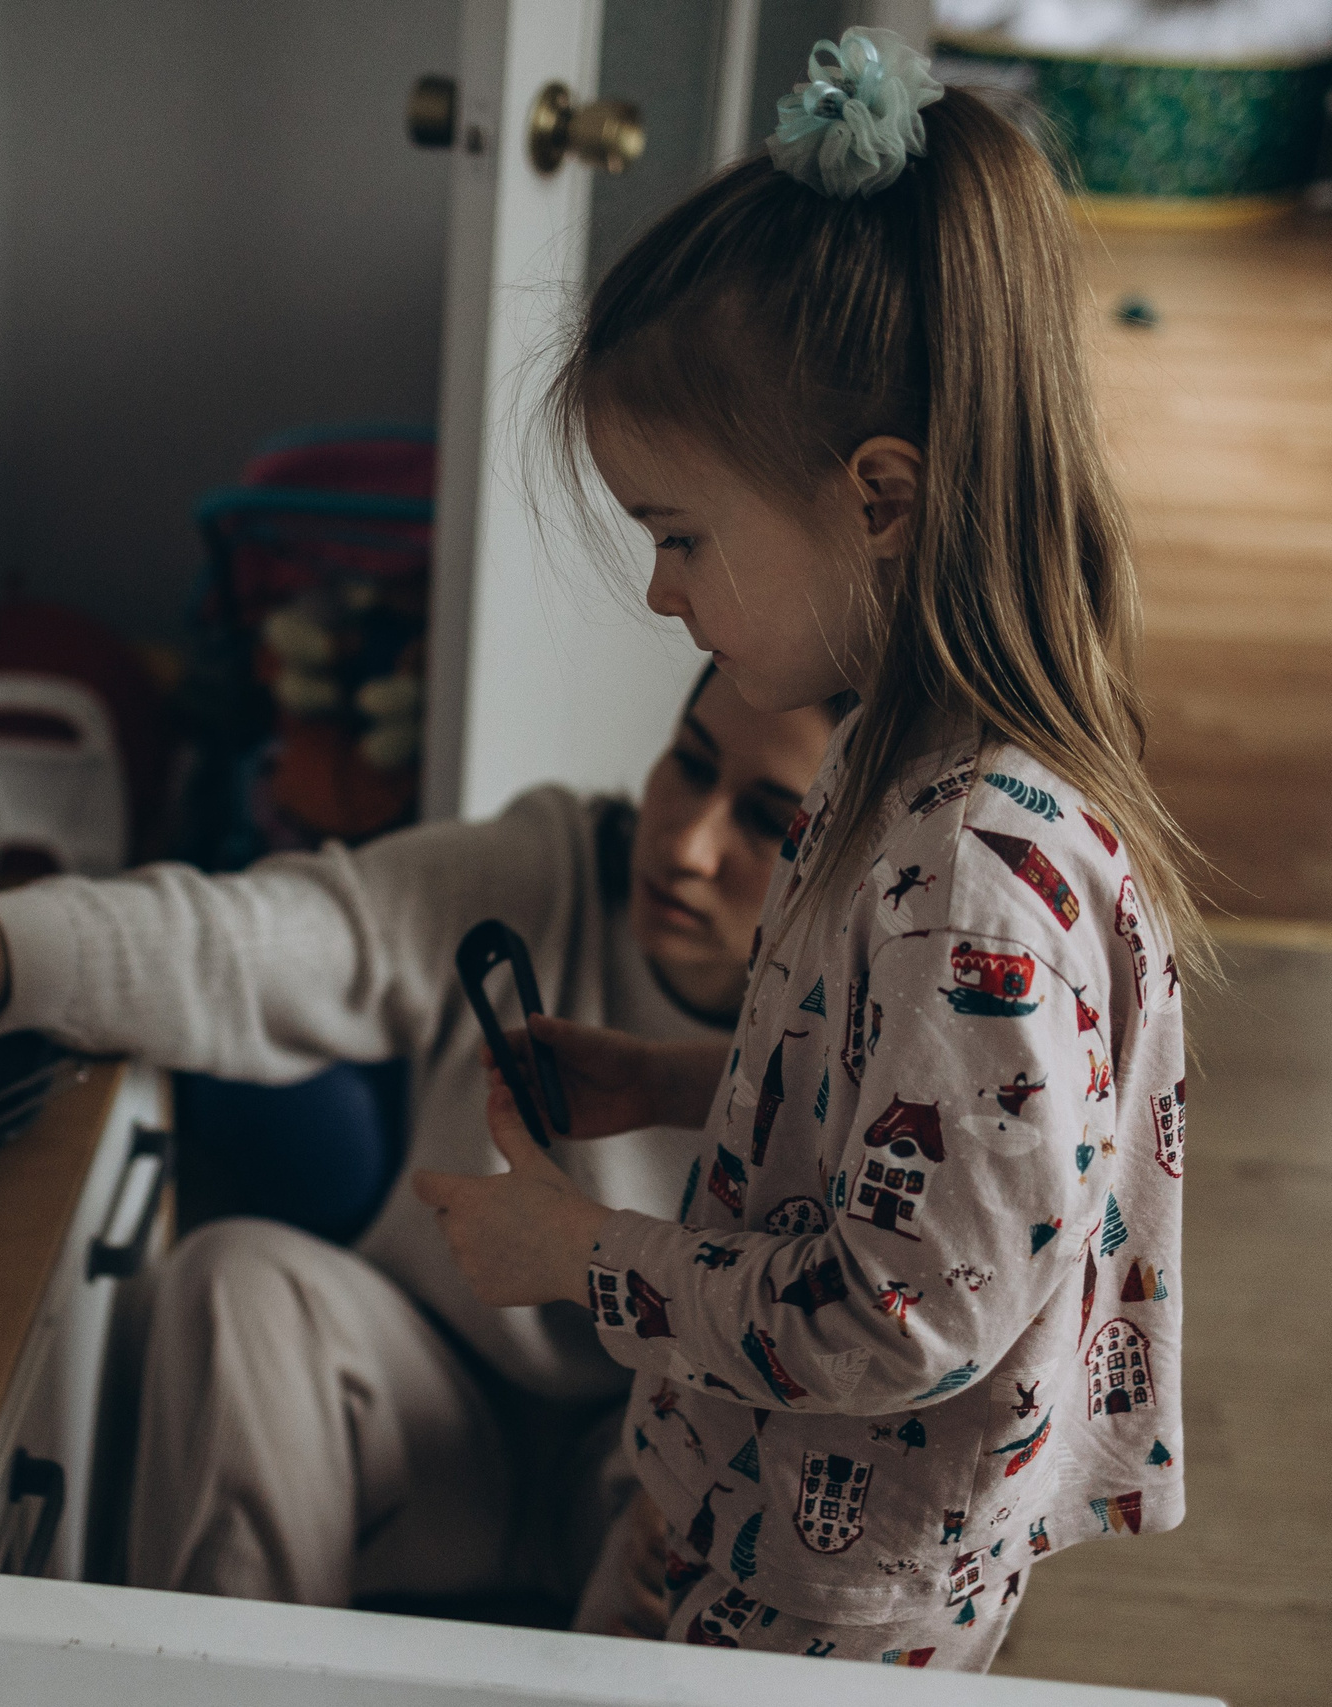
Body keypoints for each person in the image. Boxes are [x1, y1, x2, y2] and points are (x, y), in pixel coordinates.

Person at [407, 30, 1207, 1671]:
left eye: (680, 535)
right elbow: (912, 1110)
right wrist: (664, 1075)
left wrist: (586, 1259)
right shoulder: (904, 762)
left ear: (881, 498)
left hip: (837, 1586)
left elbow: (908, 1313)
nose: (661, 591)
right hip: (772, 1506)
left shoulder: (970, 869)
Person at [0, 665, 836, 1610]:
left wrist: (691, 1500)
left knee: (714, 1536)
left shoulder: (881, 1054)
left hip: (647, 1465)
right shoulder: (555, 870)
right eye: (687, 767)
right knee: (231, 1280)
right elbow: (239, 939)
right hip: (429, 1410)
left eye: (769, 821)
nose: (683, 843)